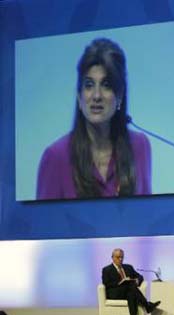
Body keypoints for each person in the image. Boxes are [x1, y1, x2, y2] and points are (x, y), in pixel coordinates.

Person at [36, 37, 151, 200]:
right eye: (89, 85)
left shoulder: (140, 146)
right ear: (79, 95)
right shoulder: (55, 157)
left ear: (119, 95)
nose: (96, 96)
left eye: (106, 85)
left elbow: (148, 214)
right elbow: (42, 223)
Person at [101, 248, 160, 315]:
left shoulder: (128, 267)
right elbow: (106, 283)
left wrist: (137, 281)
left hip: (128, 291)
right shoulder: (106, 269)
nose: (120, 259)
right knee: (131, 286)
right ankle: (147, 305)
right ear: (113, 257)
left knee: (131, 293)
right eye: (118, 257)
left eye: (122, 257)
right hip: (114, 293)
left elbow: (140, 276)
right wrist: (120, 282)